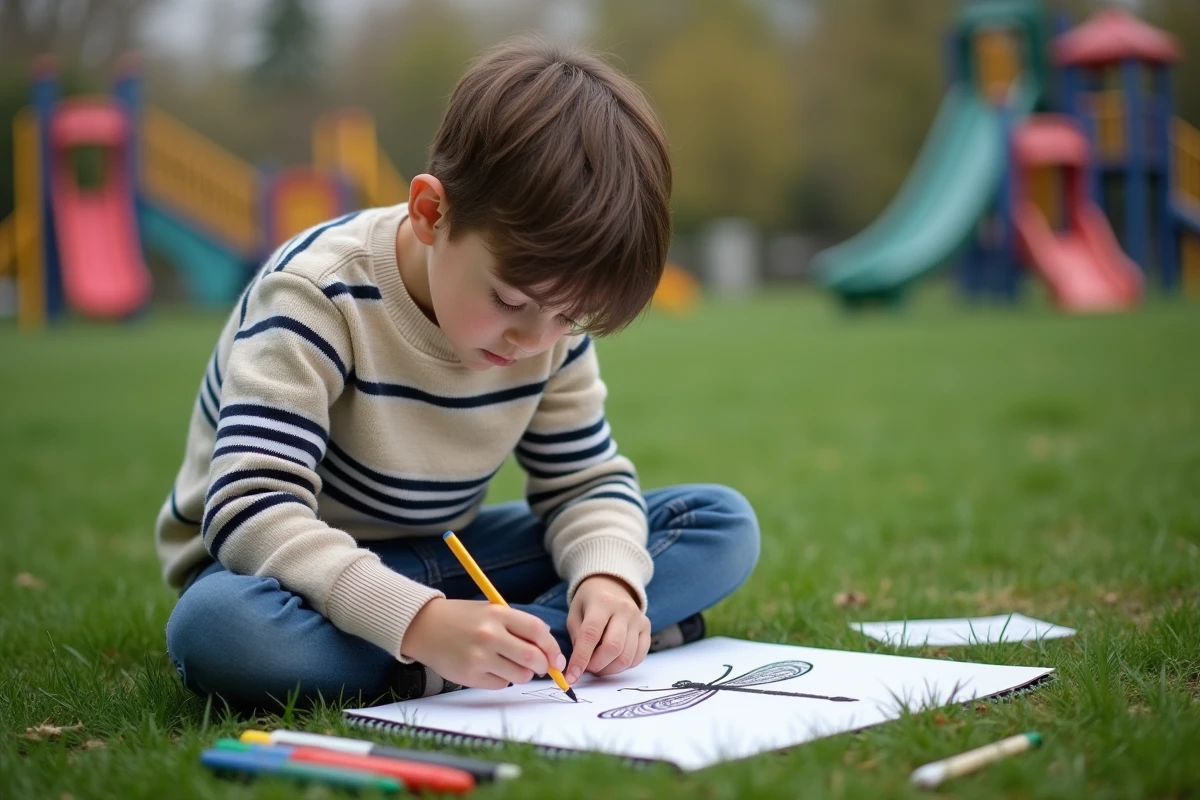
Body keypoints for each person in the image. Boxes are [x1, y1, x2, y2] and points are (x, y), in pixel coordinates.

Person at [159, 36, 760, 709]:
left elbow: (583, 482)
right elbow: (252, 511)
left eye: (571, 317)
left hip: (444, 557)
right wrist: (419, 621)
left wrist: (608, 585)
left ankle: (513, 647)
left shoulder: (547, 332)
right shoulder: (316, 295)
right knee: (220, 631)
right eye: (510, 300)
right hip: (277, 578)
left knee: (716, 523)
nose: (537, 340)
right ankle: (470, 652)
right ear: (430, 213)